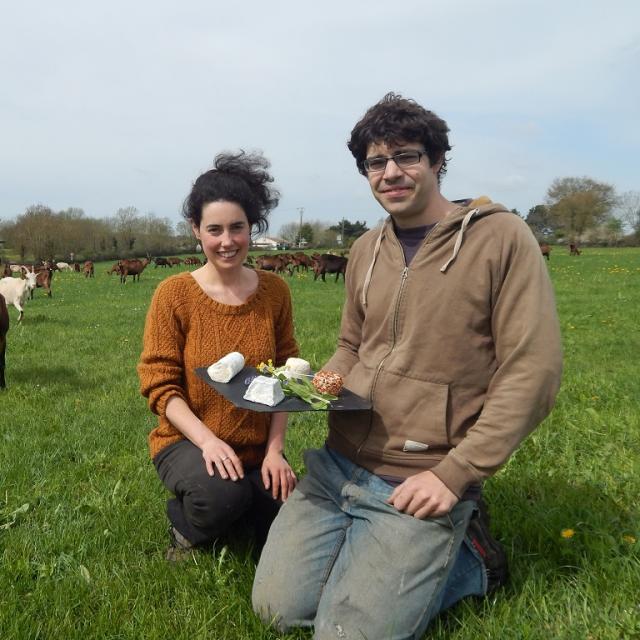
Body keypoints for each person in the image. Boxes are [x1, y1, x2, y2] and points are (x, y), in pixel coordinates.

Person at [253, 93, 563, 638]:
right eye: (377, 162)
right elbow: (352, 344)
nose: (391, 172)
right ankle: (374, 551)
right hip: (338, 462)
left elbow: (532, 372)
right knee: (279, 612)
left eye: (408, 156)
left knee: (346, 634)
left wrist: (456, 473)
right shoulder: (367, 247)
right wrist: (316, 386)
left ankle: (472, 556)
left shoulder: (500, 237)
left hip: (419, 474)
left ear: (438, 160)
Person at [138, 151, 299, 560]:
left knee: (292, 510)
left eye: (237, 228)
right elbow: (160, 384)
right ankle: (186, 527)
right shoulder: (174, 294)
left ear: (252, 227)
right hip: (187, 440)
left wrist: (275, 451)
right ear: (196, 230)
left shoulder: (275, 291)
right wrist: (208, 442)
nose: (227, 241)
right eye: (214, 230)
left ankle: (246, 502)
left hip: (256, 446)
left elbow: (287, 377)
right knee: (220, 497)